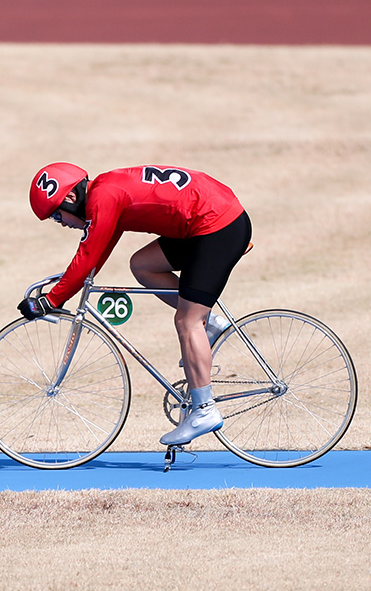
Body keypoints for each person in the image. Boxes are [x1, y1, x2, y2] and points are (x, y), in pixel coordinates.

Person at [20, 162, 251, 447]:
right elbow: (98, 250)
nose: (63, 223)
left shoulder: (104, 198)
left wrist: (50, 300)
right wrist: (66, 286)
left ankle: (204, 410)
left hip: (216, 225)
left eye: (57, 216)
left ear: (70, 198)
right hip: (211, 217)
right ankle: (212, 326)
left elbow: (89, 253)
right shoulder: (104, 192)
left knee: (187, 321)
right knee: (142, 266)